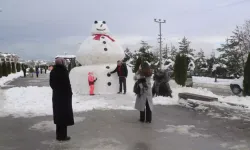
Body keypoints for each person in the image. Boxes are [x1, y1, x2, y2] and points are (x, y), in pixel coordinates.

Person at [49, 57, 74, 141]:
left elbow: (51, 84)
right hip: (64, 97)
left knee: (58, 115)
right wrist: (69, 93)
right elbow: (67, 84)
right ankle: (63, 136)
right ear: (62, 63)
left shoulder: (53, 71)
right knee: (64, 116)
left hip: (56, 96)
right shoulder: (64, 71)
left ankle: (58, 135)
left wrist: (56, 90)